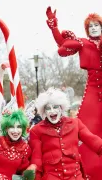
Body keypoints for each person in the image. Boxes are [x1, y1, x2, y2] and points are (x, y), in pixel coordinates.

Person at [46, 7, 102, 179]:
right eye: (90, 26)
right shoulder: (83, 43)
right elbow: (62, 42)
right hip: (93, 91)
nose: (93, 28)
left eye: (96, 25)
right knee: (88, 130)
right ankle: (89, 173)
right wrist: (53, 26)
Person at [27, 88, 102, 180]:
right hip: (52, 177)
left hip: (75, 176)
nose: (52, 111)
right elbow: (36, 159)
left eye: (55, 107)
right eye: (48, 108)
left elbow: (93, 141)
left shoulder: (75, 123)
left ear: (61, 108)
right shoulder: (36, 130)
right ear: (44, 111)